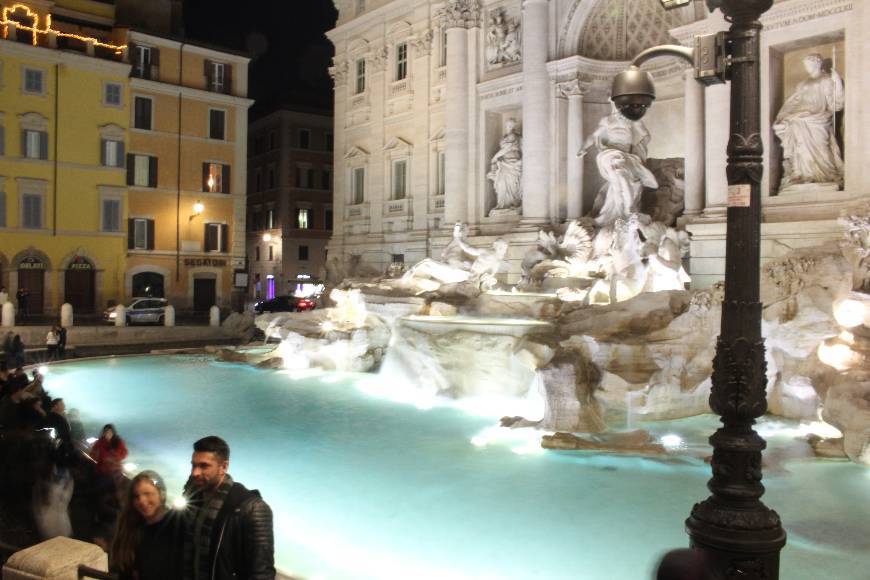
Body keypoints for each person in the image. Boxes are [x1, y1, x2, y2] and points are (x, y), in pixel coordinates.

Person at [183, 436, 275, 580]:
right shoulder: (194, 495)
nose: (195, 473)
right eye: (193, 465)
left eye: (204, 466)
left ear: (224, 467)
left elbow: (262, 572)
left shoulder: (252, 509)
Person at [773, 53, 844, 192]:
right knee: (797, 139)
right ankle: (802, 174)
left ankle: (825, 175)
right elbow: (794, 102)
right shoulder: (802, 84)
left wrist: (838, 83)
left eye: (809, 64)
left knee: (821, 146)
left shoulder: (826, 80)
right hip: (800, 116)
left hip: (819, 117)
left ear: (817, 64)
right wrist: (783, 117)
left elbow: (835, 104)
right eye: (806, 65)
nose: (807, 67)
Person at [579, 103, 658, 227]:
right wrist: (583, 148)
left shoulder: (632, 119)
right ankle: (628, 209)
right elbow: (594, 136)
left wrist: (640, 147)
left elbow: (646, 135)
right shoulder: (607, 120)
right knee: (619, 176)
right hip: (611, 153)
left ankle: (625, 211)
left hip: (626, 155)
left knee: (622, 180)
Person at [112, 471, 183, 580]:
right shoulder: (130, 529)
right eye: (136, 496)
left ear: (161, 494)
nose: (141, 501)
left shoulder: (177, 525)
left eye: (147, 494)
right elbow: (123, 569)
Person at [486, 118, 523, 211]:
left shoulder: (513, 136)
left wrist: (494, 157)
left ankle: (512, 202)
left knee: (512, 184)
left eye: (511, 125)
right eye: (508, 125)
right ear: (506, 125)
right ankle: (503, 204)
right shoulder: (504, 137)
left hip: (513, 163)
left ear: (514, 126)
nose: (510, 127)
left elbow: (506, 149)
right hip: (504, 163)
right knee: (502, 183)